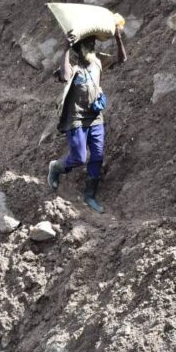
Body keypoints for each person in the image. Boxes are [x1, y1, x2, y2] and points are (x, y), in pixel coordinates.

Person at [47, 26, 127, 213]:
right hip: (76, 118)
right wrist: (66, 47)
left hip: (95, 116)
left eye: (92, 44)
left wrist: (118, 38)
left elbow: (121, 59)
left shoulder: (98, 62)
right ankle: (57, 167)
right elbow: (65, 76)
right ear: (78, 48)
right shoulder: (73, 66)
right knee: (80, 157)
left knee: (97, 156)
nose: (91, 47)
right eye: (87, 45)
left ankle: (90, 195)